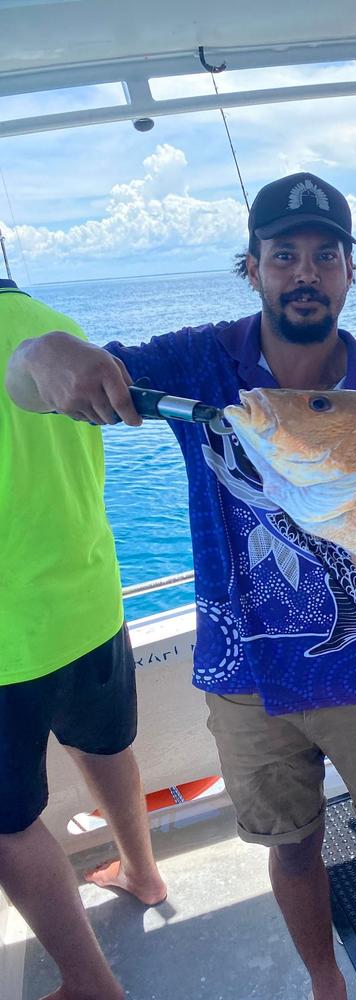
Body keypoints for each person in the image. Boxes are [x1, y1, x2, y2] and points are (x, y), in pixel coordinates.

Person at [6, 173, 356, 1000]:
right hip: (244, 670)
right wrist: (42, 352)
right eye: (282, 254)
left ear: (350, 272)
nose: (304, 272)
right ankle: (326, 981)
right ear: (250, 267)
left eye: (325, 256)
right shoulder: (201, 362)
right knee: (290, 843)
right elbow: (29, 387)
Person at [1, 278, 166, 1000]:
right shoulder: (57, 323)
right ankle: (143, 872)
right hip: (92, 601)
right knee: (103, 745)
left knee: (8, 828)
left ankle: (90, 986)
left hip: (9, 643)